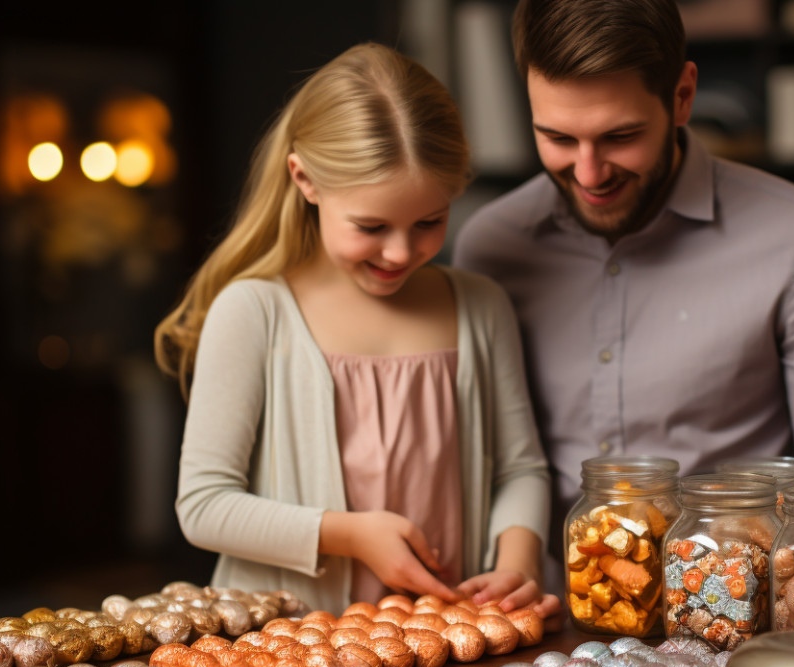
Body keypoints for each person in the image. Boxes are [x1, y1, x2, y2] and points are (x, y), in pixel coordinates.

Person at [454, 0, 794, 536]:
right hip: (550, 611)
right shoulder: (491, 246)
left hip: (738, 605)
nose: (589, 173)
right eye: (558, 138)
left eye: (620, 137)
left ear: (682, 96)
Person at [155, 43, 559, 619]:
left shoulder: (479, 306)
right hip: (285, 645)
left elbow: (521, 468)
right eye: (371, 225)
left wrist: (517, 561)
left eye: (429, 221)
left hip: (446, 644)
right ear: (305, 180)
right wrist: (350, 534)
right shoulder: (253, 311)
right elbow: (203, 506)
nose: (400, 252)